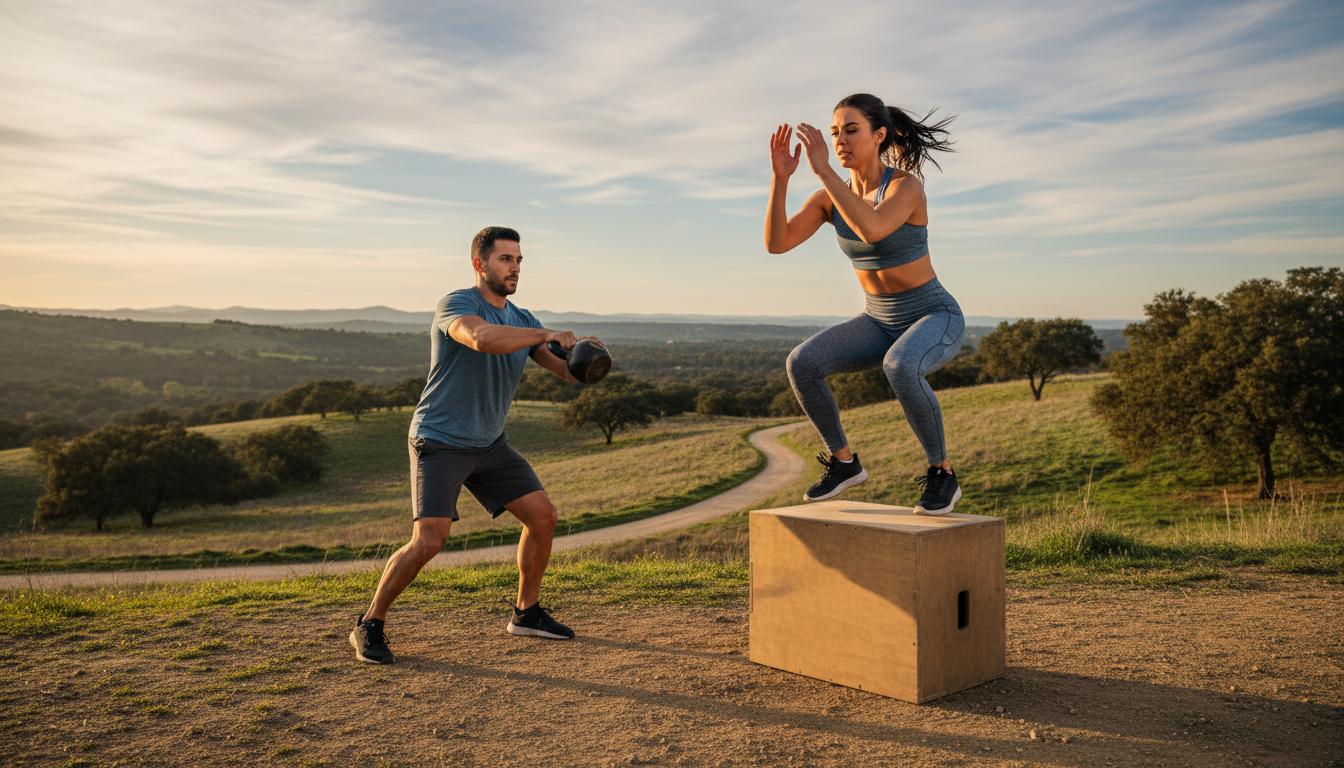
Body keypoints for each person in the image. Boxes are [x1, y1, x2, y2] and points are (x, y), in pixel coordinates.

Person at [350, 226, 605, 664]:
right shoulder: (456, 305)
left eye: (519, 260)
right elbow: (481, 339)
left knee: (542, 517)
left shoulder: (523, 320)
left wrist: (587, 358)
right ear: (480, 264)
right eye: (506, 259)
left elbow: (563, 373)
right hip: (440, 439)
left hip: (489, 444)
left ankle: (526, 613)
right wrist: (545, 334)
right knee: (429, 540)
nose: (515, 268)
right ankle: (369, 623)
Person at [764, 93, 965, 515]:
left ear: (879, 135)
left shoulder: (906, 186)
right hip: (878, 320)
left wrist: (822, 170)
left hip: (933, 315)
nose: (840, 141)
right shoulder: (828, 199)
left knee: (900, 365)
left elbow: (872, 228)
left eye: (851, 131)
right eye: (835, 133)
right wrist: (781, 178)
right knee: (802, 362)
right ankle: (843, 462)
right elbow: (777, 243)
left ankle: (942, 473)